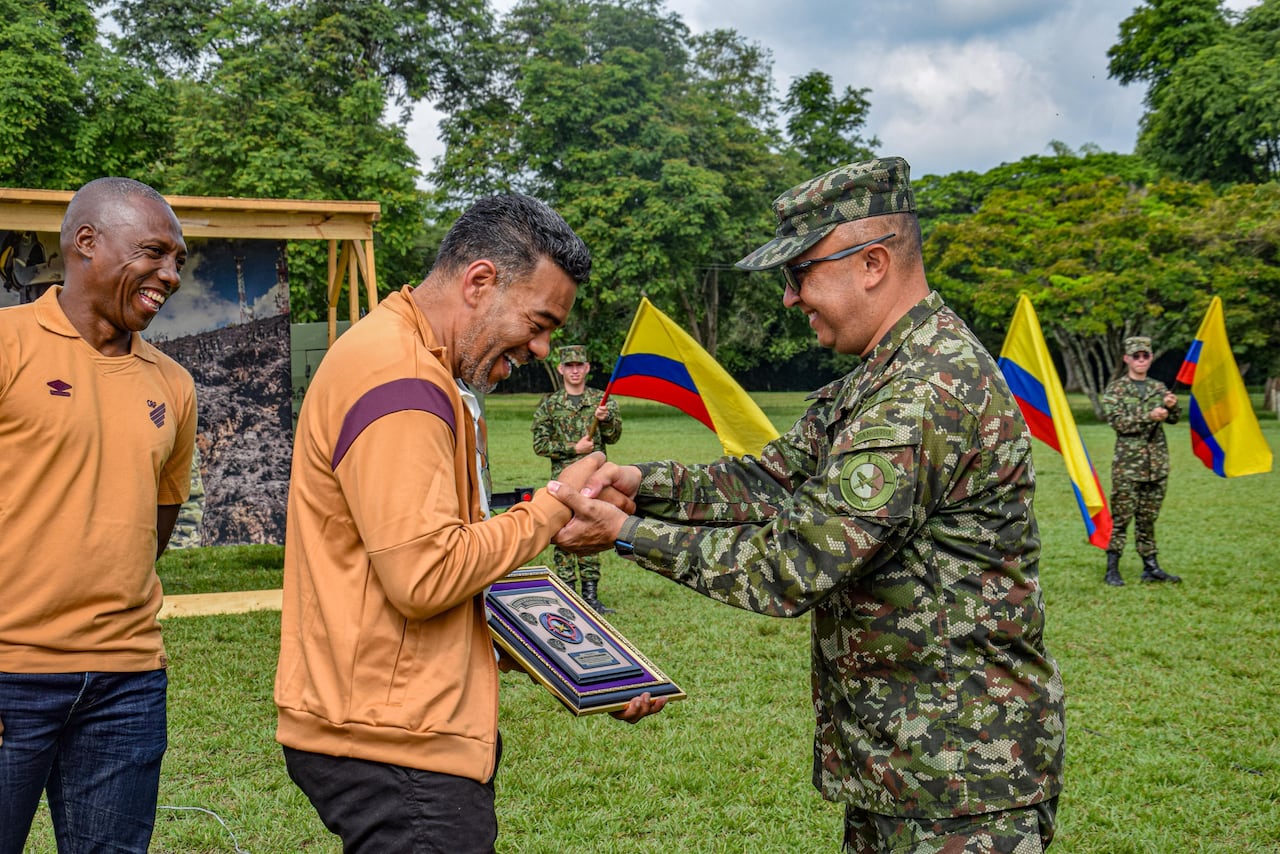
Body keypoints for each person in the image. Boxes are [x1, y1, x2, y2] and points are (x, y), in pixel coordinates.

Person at [549, 157, 1065, 853]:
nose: (791, 299)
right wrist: (640, 481)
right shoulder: (881, 379)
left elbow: (791, 564)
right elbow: (772, 481)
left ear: (873, 263)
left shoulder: (925, 392)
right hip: (910, 766)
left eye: (799, 275)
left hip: (961, 779)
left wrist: (625, 533)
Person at [274, 193, 664, 853]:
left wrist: (584, 665)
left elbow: (424, 564)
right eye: (538, 321)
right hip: (398, 745)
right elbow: (424, 576)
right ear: (480, 281)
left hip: (389, 726)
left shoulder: (405, 357)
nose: (542, 348)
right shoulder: (401, 382)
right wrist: (552, 504)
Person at [0, 177, 196, 853]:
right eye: (154, 252)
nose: (169, 274)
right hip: (8, 675)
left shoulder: (172, 384)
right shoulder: (7, 344)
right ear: (87, 242)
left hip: (127, 685)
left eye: (177, 260)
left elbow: (155, 525)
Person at [531, 344, 622, 611]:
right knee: (563, 534)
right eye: (569, 366)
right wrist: (574, 449)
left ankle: (591, 597)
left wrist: (604, 421)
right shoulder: (550, 405)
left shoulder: (601, 402)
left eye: (579, 365)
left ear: (587, 368)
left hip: (593, 482)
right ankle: (566, 595)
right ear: (561, 368)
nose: (574, 370)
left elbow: (614, 437)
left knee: (592, 532)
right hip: (562, 482)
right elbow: (539, 444)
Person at [1101, 336, 1182, 585]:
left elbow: (1173, 419)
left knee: (1148, 517)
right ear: (1126, 358)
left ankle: (1151, 567)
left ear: (1150, 357)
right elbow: (1118, 422)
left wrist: (1172, 406)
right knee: (1122, 518)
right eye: (1136, 356)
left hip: (1156, 465)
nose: (1141, 360)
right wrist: (1149, 415)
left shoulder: (1158, 388)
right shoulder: (1116, 389)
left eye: (1145, 355)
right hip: (1128, 465)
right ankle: (1112, 568)